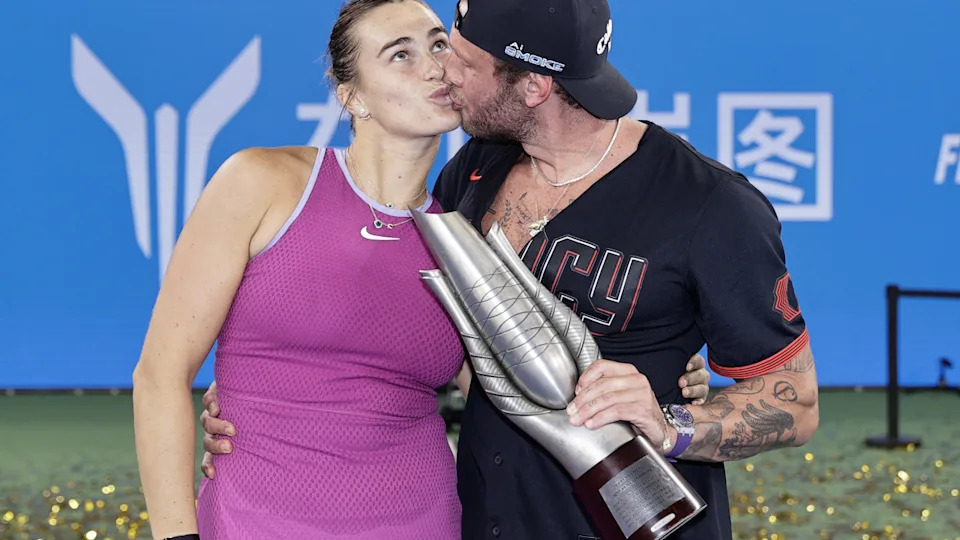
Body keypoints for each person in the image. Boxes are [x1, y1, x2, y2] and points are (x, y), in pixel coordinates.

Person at [134, 1, 713, 540]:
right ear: (352, 95)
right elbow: (160, 375)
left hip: (422, 518)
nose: (435, 66)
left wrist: (664, 370)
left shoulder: (467, 231)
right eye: (400, 54)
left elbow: (516, 387)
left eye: (439, 45)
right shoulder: (262, 182)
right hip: (254, 518)